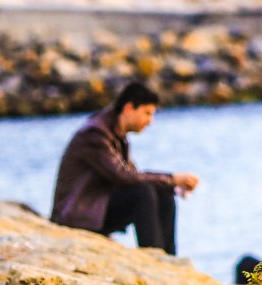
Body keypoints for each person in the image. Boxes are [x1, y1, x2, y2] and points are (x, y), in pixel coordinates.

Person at [50, 82, 198, 255]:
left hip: (96, 209)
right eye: (147, 113)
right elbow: (124, 177)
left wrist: (171, 185)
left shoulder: (114, 132)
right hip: (76, 216)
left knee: (163, 192)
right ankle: (154, 256)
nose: (150, 121)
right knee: (142, 192)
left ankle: (168, 258)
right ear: (129, 108)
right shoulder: (94, 135)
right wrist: (172, 178)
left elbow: (132, 175)